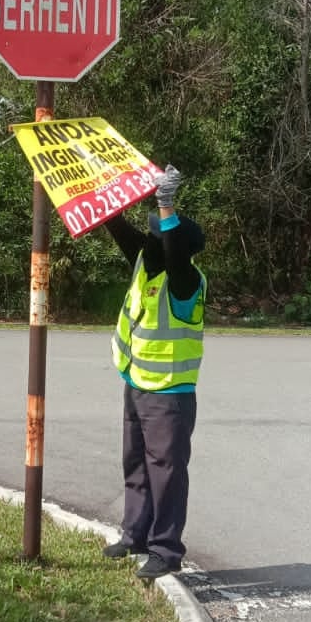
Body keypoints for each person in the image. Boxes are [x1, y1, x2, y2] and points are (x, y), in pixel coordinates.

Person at [101, 164, 207, 579]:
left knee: (165, 471)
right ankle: (136, 534)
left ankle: (165, 549)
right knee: (136, 463)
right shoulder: (148, 267)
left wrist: (166, 204)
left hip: (169, 393)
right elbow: (122, 232)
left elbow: (175, 252)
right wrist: (104, 199)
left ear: (171, 246)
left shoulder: (184, 281)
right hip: (137, 381)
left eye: (157, 234)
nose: (146, 239)